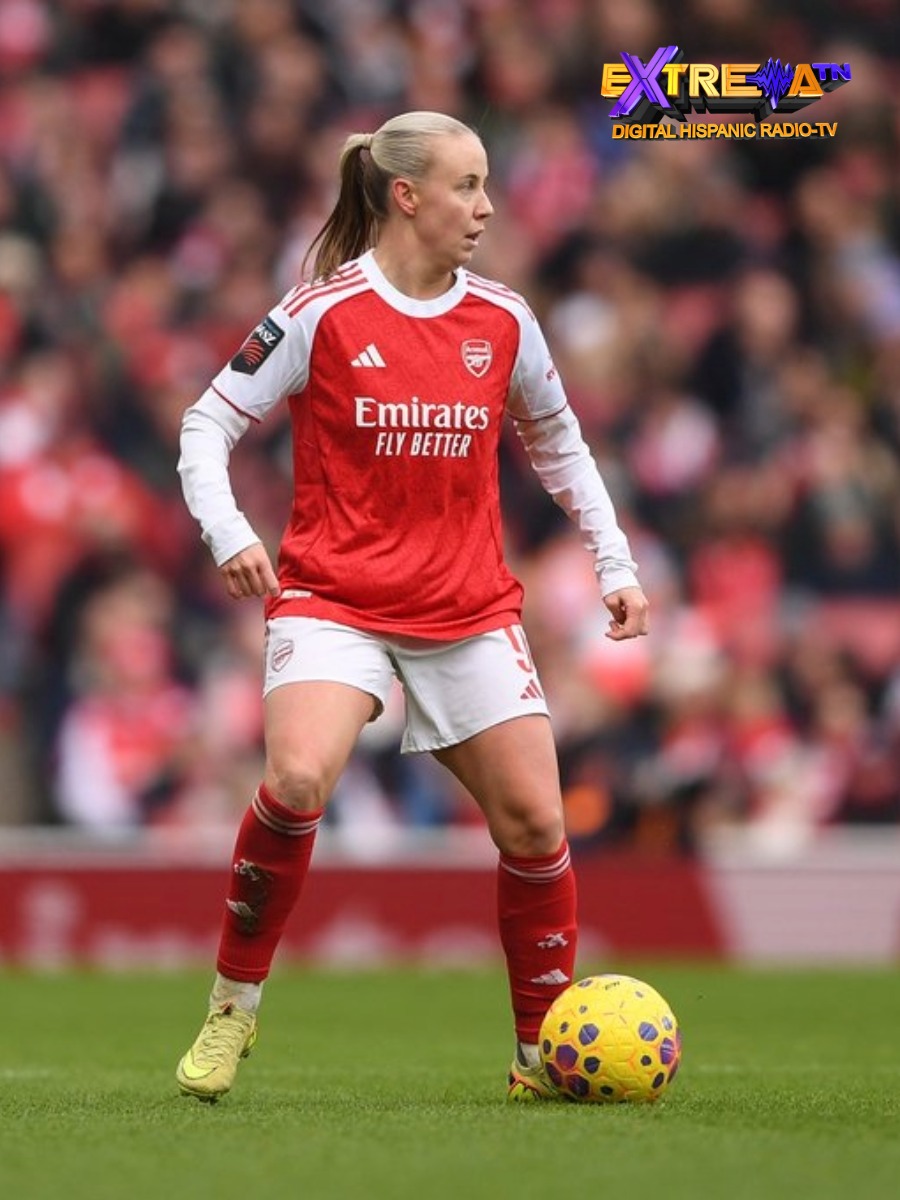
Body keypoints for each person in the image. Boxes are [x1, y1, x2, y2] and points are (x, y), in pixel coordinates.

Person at [175, 110, 649, 1103]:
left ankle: (538, 1061)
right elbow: (206, 422)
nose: (485, 207)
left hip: (467, 606)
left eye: (486, 186)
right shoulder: (320, 314)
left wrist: (615, 562)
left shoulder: (506, 322)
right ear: (406, 195)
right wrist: (232, 535)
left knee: (533, 823)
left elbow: (560, 446)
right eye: (467, 185)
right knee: (299, 776)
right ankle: (231, 1011)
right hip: (333, 598)